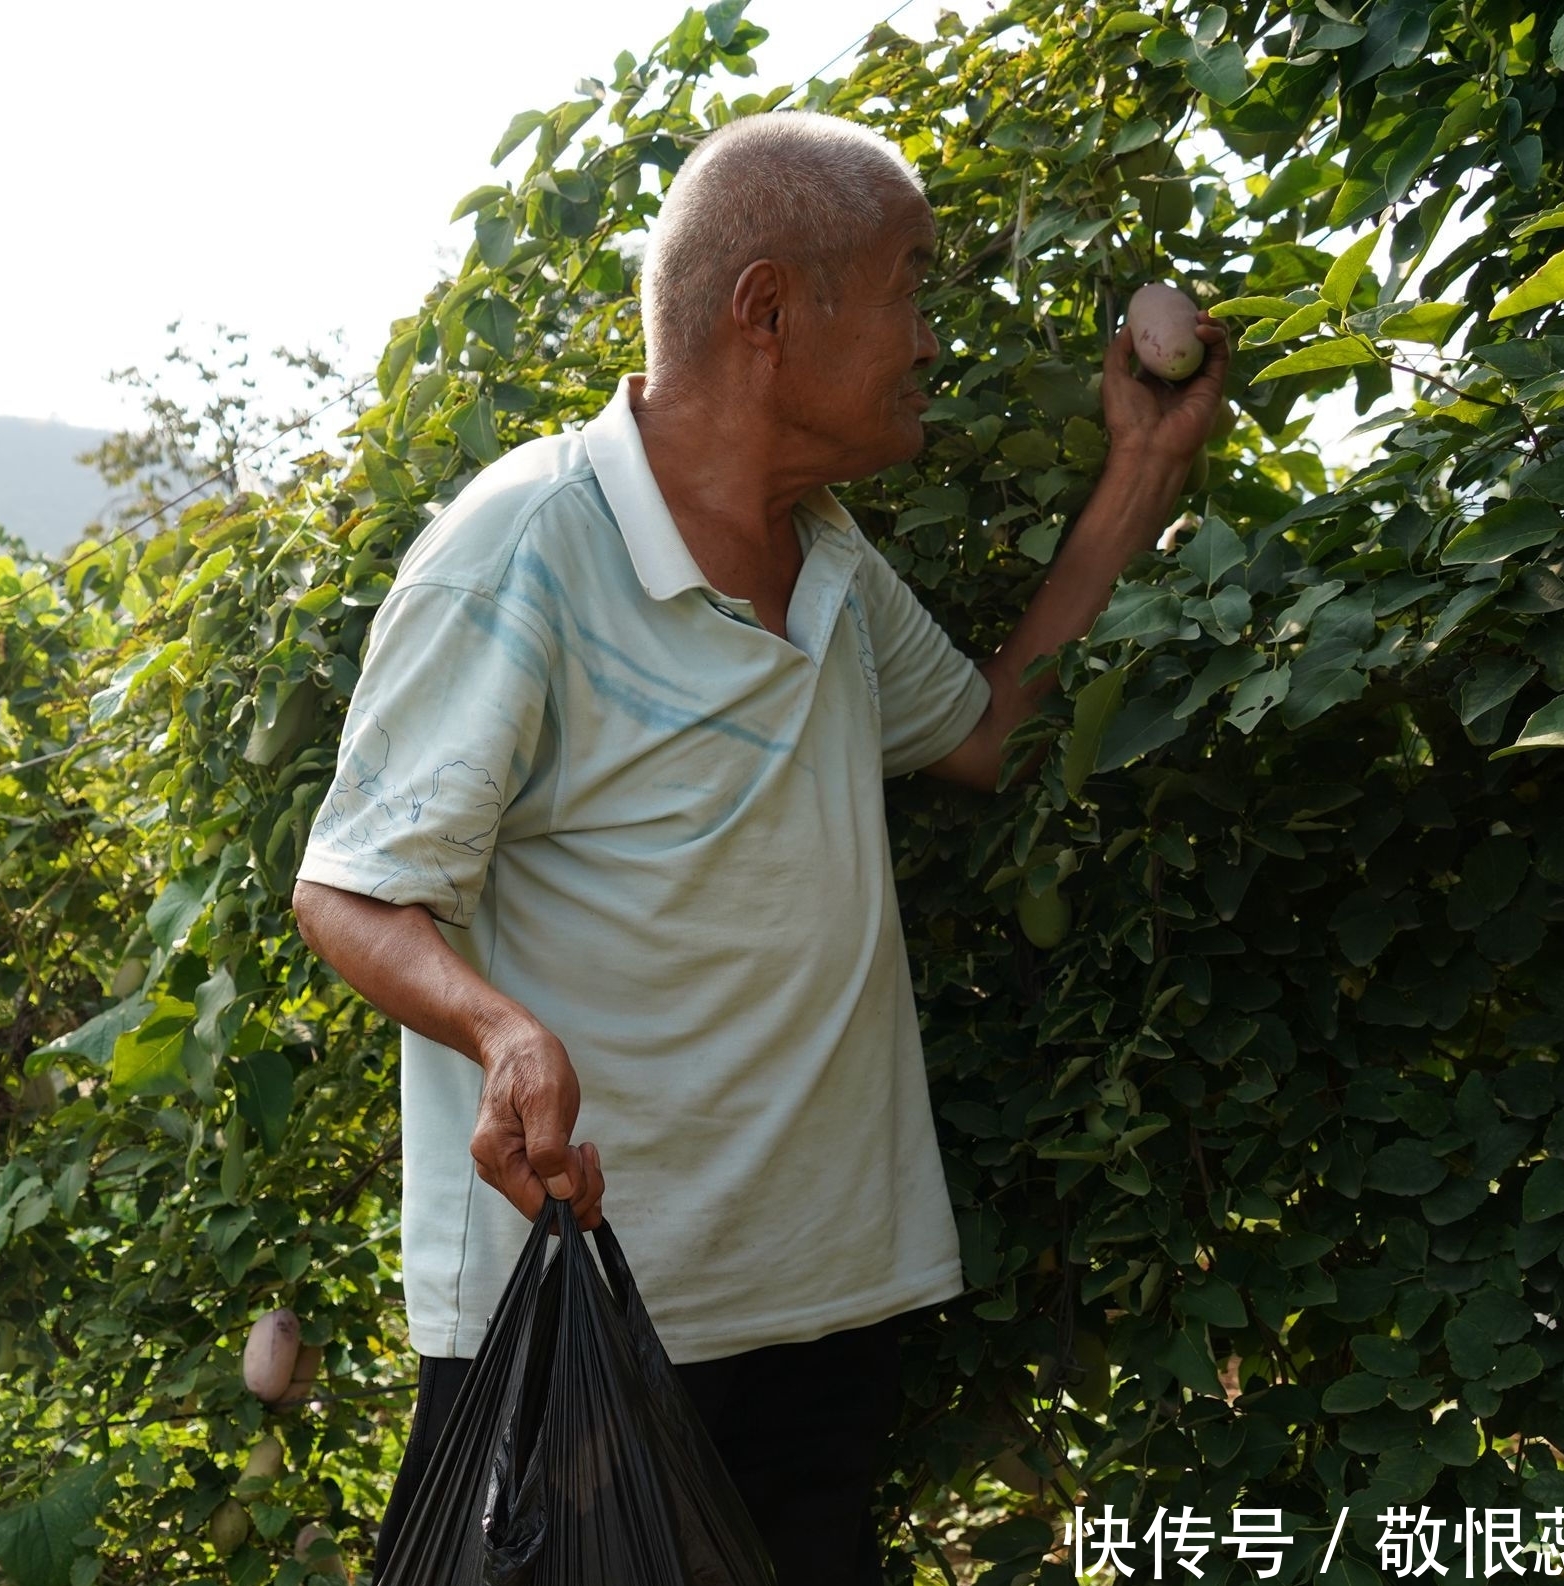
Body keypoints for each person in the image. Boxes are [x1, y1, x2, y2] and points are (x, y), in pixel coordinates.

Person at [291, 110, 1226, 1580]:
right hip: (588, 1324)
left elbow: (987, 731)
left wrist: (1144, 470)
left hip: (820, 1303)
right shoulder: (530, 546)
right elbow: (351, 888)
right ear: (770, 311)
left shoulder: (832, 559)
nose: (931, 341)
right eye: (912, 289)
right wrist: (500, 1030)